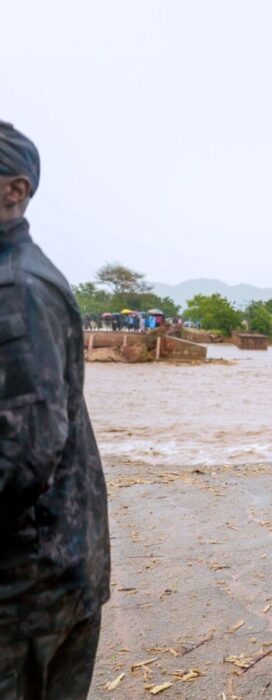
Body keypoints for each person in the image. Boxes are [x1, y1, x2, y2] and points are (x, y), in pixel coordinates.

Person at [0, 121, 111, 698]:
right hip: (47, 569)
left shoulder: (16, 289)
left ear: (13, 189)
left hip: (28, 586)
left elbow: (23, 452)